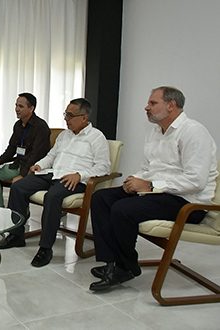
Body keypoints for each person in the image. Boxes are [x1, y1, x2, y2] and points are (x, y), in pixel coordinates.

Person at [89, 86, 217, 291]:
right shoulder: (155, 132)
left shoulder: (194, 132)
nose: (146, 107)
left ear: (171, 105)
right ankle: (110, 262)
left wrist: (149, 185)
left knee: (123, 209)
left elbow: (196, 181)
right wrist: (136, 180)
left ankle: (126, 267)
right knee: (101, 198)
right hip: (159, 191)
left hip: (188, 202)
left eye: (152, 103)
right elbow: (148, 168)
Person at [1, 98, 111, 268]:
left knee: (52, 197)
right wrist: (40, 165)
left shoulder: (96, 137)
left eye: (70, 115)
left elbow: (104, 167)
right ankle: (16, 235)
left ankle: (45, 248)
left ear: (84, 117)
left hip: (75, 180)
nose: (66, 119)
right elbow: (52, 156)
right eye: (65, 114)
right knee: (18, 187)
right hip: (53, 174)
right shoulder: (64, 135)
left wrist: (79, 175)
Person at [0, 92, 51, 207]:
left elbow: (36, 155)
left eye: (21, 106)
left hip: (32, 168)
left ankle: (19, 216)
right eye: (16, 105)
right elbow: (11, 149)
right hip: (18, 164)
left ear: (31, 108)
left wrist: (23, 175)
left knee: (19, 184)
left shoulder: (41, 127)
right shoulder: (18, 125)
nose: (16, 109)